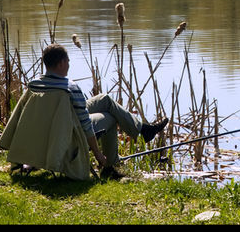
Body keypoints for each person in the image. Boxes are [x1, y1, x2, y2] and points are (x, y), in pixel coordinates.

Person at [29, 43, 168, 177]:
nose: (69, 65)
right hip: (69, 132)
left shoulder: (33, 86)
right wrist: (98, 154)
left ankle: (142, 129)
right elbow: (86, 124)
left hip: (47, 132)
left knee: (104, 99)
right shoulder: (69, 88)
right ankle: (110, 166)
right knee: (110, 117)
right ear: (61, 64)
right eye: (68, 61)